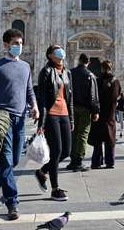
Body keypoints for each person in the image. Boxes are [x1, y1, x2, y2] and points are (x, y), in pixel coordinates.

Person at [0, 29, 38, 220]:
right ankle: (12, 202)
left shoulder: (25, 67)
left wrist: (35, 106)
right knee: (6, 160)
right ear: (6, 45)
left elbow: (29, 90)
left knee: (13, 161)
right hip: (3, 118)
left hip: (20, 119)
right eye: (15, 43)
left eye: (21, 43)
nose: (19, 46)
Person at [35, 45, 73, 202]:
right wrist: (41, 123)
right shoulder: (46, 72)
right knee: (56, 151)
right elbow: (42, 98)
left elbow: (70, 97)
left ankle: (42, 172)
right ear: (50, 55)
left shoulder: (66, 72)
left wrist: (71, 119)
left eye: (61, 50)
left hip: (64, 114)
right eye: (57, 51)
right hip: (51, 114)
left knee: (67, 151)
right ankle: (55, 189)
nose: (60, 52)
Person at [67, 53, 100, 172]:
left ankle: (72, 160)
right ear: (88, 62)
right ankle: (78, 161)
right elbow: (93, 95)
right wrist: (95, 111)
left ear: (78, 60)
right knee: (82, 135)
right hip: (85, 109)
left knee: (73, 134)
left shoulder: (69, 73)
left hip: (71, 108)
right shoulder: (90, 75)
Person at [88, 60, 121, 169]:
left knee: (98, 139)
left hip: (99, 113)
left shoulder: (98, 80)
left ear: (102, 68)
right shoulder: (116, 81)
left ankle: (96, 162)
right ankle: (110, 162)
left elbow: (93, 96)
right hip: (110, 114)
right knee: (110, 138)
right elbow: (119, 95)